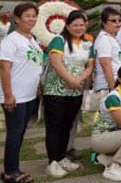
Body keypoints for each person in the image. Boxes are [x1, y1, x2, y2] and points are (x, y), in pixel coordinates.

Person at [42, 10, 95, 177]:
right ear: (67, 26)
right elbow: (56, 62)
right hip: (55, 91)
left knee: (67, 125)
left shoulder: (88, 44)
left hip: (75, 92)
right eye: (75, 25)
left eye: (82, 25)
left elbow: (89, 66)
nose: (79, 28)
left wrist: (79, 80)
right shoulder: (59, 40)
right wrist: (71, 79)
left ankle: (62, 157)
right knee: (54, 127)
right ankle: (52, 162)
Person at [0, 3, 43, 183]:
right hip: (15, 96)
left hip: (30, 95)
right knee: (14, 132)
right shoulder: (11, 40)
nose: (31, 19)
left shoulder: (32, 39)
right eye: (27, 15)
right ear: (17, 18)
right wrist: (8, 95)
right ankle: (10, 172)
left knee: (20, 132)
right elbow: (4, 68)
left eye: (34, 15)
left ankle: (13, 167)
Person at [93, 7, 121, 106]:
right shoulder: (104, 40)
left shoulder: (113, 38)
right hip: (106, 88)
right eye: (114, 21)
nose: (118, 23)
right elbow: (105, 64)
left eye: (120, 20)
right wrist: (112, 88)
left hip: (116, 85)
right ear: (104, 23)